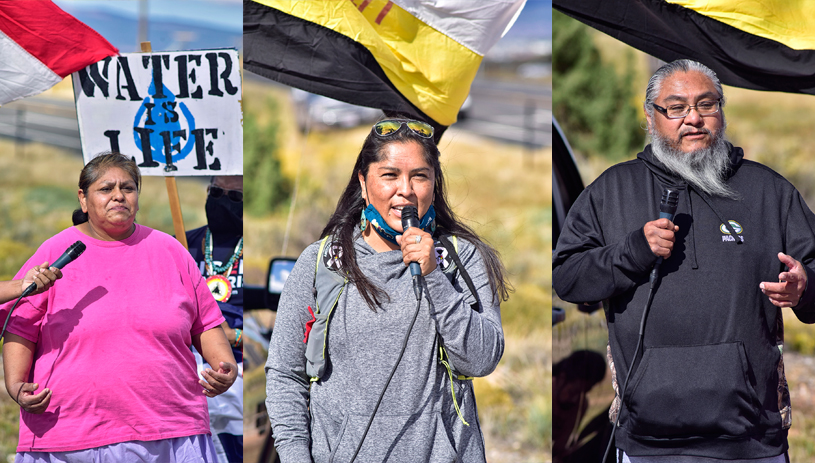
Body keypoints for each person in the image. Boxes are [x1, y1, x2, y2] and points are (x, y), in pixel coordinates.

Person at [553, 59, 815, 462]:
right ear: (651, 116)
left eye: (706, 105)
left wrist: (804, 287)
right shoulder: (612, 191)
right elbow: (568, 277)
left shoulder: (768, 192)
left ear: (721, 111)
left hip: (750, 442)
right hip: (648, 442)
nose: (693, 118)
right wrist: (634, 250)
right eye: (676, 108)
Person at [265, 118, 510, 462]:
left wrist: (434, 275)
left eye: (420, 176)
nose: (406, 189)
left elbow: (482, 359)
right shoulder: (322, 262)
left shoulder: (460, 258)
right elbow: (284, 374)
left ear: (434, 184)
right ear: (364, 183)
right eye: (390, 175)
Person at [1, 153, 238, 462]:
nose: (118, 196)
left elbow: (206, 323)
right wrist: (16, 385)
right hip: (69, 436)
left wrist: (225, 366)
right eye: (106, 188)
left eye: (127, 188)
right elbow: (21, 324)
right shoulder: (55, 251)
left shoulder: (171, 251)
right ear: (83, 199)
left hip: (171, 433)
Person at [186, 175, 244, 463]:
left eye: (235, 198)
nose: (223, 202)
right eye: (217, 192)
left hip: (240, 366)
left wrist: (232, 335)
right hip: (190, 366)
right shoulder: (181, 244)